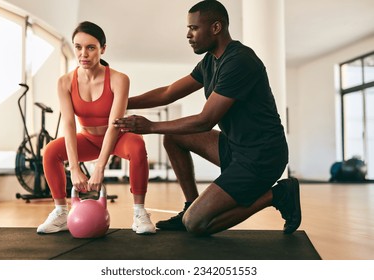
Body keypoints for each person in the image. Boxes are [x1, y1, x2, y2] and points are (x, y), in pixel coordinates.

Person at [114, 0, 301, 236]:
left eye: (194, 28)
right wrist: (121, 102)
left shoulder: (240, 61)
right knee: (173, 137)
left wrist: (151, 126)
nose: (188, 35)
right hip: (235, 148)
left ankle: (278, 194)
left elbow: (205, 120)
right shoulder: (210, 62)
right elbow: (168, 93)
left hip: (262, 157)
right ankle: (189, 205)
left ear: (215, 27)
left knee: (196, 224)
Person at [37, 21, 156, 235]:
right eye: (78, 47)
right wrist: (74, 168)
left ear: (103, 49)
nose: (84, 53)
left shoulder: (119, 79)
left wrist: (100, 168)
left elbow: (114, 123)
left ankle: (139, 212)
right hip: (88, 139)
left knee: (138, 145)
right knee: (51, 152)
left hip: (118, 138)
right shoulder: (65, 82)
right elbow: (69, 123)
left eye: (91, 47)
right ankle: (61, 212)